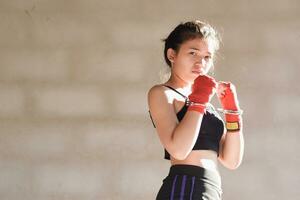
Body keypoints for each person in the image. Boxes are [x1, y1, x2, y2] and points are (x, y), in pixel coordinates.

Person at [147, 20, 244, 200]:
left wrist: (232, 111)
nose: (201, 62)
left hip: (211, 189)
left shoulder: (206, 103)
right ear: (172, 55)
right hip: (185, 185)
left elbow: (231, 161)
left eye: (207, 57)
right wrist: (199, 99)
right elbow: (179, 150)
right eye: (193, 53)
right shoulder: (162, 93)